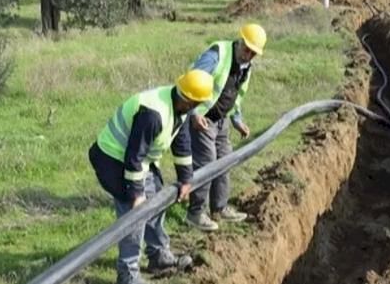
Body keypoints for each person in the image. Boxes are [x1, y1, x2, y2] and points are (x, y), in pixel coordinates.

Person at [88, 69, 214, 284]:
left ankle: (158, 255)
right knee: (134, 215)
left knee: (156, 198)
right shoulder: (153, 114)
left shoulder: (180, 106)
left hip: (136, 159)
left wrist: (186, 179)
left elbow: (181, 141)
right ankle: (128, 274)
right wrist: (136, 194)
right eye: (196, 104)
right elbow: (134, 157)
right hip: (112, 159)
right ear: (191, 101)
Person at [184, 24, 267, 232]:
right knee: (207, 161)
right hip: (202, 118)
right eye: (247, 49)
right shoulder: (217, 55)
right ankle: (195, 212)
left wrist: (237, 120)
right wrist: (193, 114)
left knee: (226, 159)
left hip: (221, 120)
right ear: (239, 42)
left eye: (253, 53)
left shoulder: (246, 67)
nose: (249, 55)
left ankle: (219, 209)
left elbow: (236, 95)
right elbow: (192, 82)